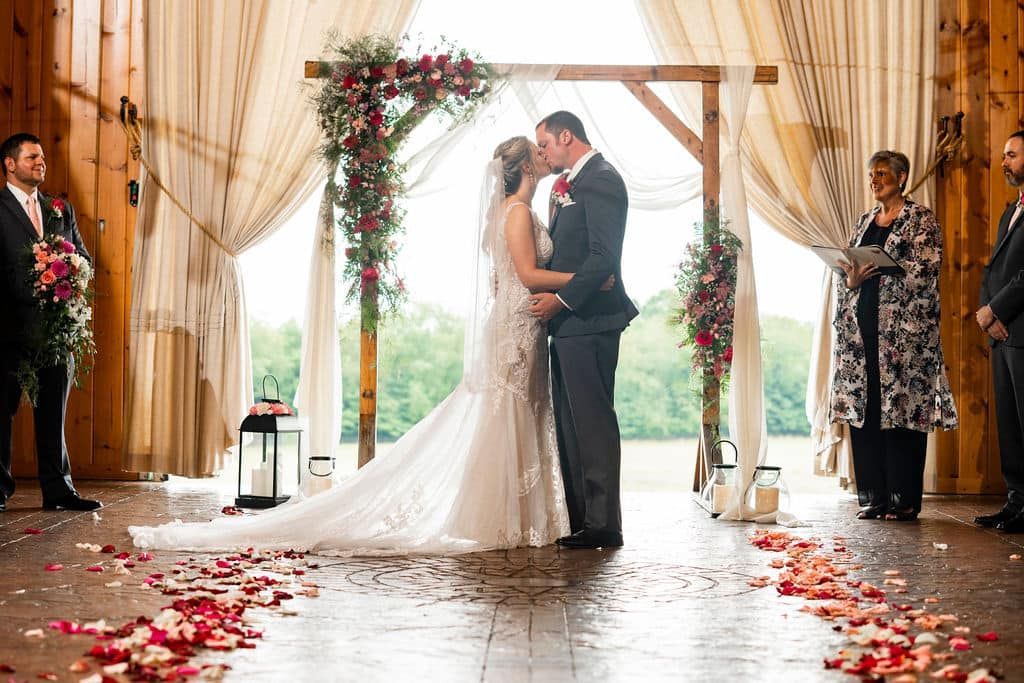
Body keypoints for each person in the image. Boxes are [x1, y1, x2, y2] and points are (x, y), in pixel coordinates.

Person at [129, 136, 578, 554]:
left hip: (521, 322)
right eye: (537, 153)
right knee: (510, 414)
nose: (545, 155)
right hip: (518, 327)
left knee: (516, 414)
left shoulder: (509, 213)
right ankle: (505, 521)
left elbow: (501, 278)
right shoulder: (516, 213)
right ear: (523, 168)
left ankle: (517, 519)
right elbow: (524, 274)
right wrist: (583, 283)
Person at [530, 111, 638, 549]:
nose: (542, 152)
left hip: (592, 319)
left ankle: (604, 524)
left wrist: (561, 299)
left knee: (593, 422)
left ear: (566, 136)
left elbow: (602, 258)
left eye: (545, 144)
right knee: (571, 424)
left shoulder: (602, 178)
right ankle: (583, 521)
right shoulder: (570, 185)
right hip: (569, 324)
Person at [831, 150, 958, 522]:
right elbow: (851, 271)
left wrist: (888, 270)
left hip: (905, 341)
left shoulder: (920, 220)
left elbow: (926, 271)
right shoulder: (864, 220)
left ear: (901, 178)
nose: (875, 180)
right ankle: (874, 497)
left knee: (902, 415)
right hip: (863, 336)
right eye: (871, 174)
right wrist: (851, 279)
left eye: (882, 173)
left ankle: (902, 499)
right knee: (868, 412)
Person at [0, 133, 101, 512]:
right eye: (31, 157)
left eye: (42, 157)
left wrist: (73, 276)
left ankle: (59, 491)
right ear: (10, 164)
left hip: (55, 332)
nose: (40, 162)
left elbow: (85, 260)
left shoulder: (60, 209)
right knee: (1, 413)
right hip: (7, 329)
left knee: (53, 413)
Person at [975, 130, 1024, 533]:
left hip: (1022, 330)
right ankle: (1016, 502)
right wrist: (987, 313)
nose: (1004, 162)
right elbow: (994, 268)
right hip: (1002, 333)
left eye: (1011, 155)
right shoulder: (1012, 210)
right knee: (1009, 425)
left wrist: (996, 309)